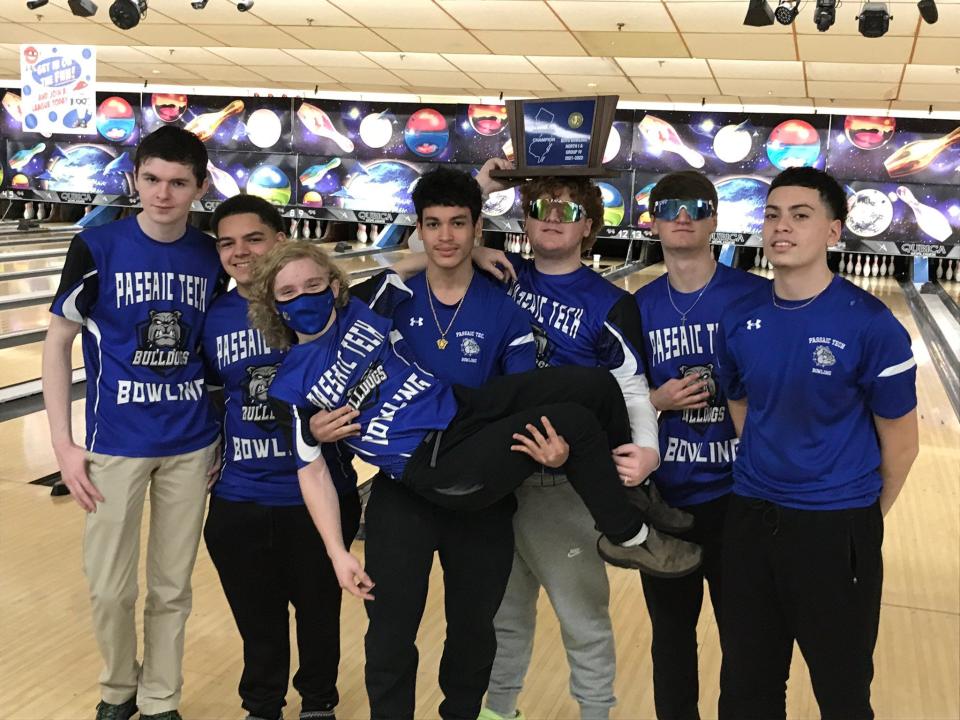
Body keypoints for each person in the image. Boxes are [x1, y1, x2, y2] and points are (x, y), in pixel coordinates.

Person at [244, 242, 702, 590]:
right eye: (287, 292)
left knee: (594, 383)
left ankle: (634, 493)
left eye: (313, 285)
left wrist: (473, 248)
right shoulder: (289, 389)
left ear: (334, 286)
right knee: (575, 423)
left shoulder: (363, 303)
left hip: (462, 407)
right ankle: (628, 537)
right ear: (273, 304)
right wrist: (337, 552)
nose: (303, 297)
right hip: (437, 463)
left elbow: (414, 254)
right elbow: (313, 474)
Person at [311, 166, 539, 720]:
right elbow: (327, 310)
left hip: (478, 494)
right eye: (433, 224)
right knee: (389, 632)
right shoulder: (389, 298)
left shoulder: (505, 311)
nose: (446, 237)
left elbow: (518, 402)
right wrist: (320, 424)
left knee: (472, 630)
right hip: (401, 492)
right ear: (418, 228)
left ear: (477, 227)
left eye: (458, 224)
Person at [475, 165, 689, 720]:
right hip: (497, 476)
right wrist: (478, 201)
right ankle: (498, 712)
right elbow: (434, 238)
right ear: (523, 218)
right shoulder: (498, 274)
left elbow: (632, 385)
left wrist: (648, 448)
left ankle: (595, 712)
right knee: (502, 615)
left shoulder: (609, 300)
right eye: (540, 207)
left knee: (582, 618)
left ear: (588, 225)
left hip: (564, 484)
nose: (551, 218)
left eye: (567, 211)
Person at [715, 167, 919, 719]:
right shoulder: (739, 317)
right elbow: (739, 401)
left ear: (833, 232)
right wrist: (764, 466)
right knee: (745, 688)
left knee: (842, 691)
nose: (782, 227)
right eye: (773, 214)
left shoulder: (872, 325)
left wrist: (861, 516)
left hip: (835, 528)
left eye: (801, 215)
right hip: (751, 518)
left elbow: (901, 442)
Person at [42, 126, 224, 720]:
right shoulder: (97, 247)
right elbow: (57, 341)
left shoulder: (211, 254)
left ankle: (161, 698)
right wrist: (64, 446)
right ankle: (118, 689)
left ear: (199, 188)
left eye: (177, 183)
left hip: (191, 443)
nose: (162, 194)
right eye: (151, 179)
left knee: (172, 589)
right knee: (110, 588)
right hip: (113, 444)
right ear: (135, 178)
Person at [200, 194, 362, 720]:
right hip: (238, 499)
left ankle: (318, 706)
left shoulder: (319, 305)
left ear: (281, 239)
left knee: (319, 618)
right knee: (257, 623)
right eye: (227, 242)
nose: (240, 251)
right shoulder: (214, 317)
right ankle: (261, 706)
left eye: (254, 238)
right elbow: (209, 392)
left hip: (318, 496)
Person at [634, 171, 767, 720]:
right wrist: (657, 401)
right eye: (670, 206)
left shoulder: (757, 296)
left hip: (742, 500)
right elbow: (615, 401)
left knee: (746, 640)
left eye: (696, 207)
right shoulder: (638, 306)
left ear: (714, 219)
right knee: (670, 638)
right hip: (667, 502)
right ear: (655, 220)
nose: (683, 216)